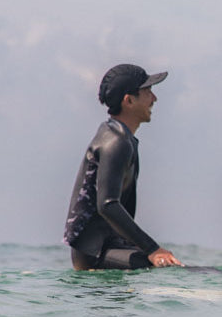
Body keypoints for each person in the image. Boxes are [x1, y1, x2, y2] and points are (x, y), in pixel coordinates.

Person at [63, 63, 183, 270]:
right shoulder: (116, 142)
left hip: (108, 247)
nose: (154, 99)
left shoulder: (118, 136)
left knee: (172, 268)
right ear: (129, 101)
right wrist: (152, 249)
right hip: (96, 253)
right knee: (169, 270)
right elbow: (107, 205)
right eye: (148, 92)